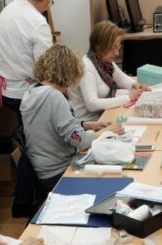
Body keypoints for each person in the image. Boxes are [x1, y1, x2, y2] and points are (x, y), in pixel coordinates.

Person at [21, 44, 124, 192]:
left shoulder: (32, 92)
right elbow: (80, 141)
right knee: (114, 179)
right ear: (70, 72)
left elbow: (51, 125)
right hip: (57, 173)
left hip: (41, 169)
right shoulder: (54, 97)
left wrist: (87, 125)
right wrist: (108, 131)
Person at [0, 0, 58, 111]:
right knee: (60, 99)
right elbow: (47, 70)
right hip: (17, 92)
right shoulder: (38, 23)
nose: (48, 5)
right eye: (50, 0)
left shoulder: (8, 9)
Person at [69, 20, 149, 122]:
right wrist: (128, 97)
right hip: (89, 121)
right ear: (99, 47)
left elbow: (121, 78)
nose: (117, 53)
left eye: (118, 47)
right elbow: (92, 104)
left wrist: (135, 85)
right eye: (113, 48)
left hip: (102, 114)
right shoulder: (87, 68)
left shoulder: (103, 62)